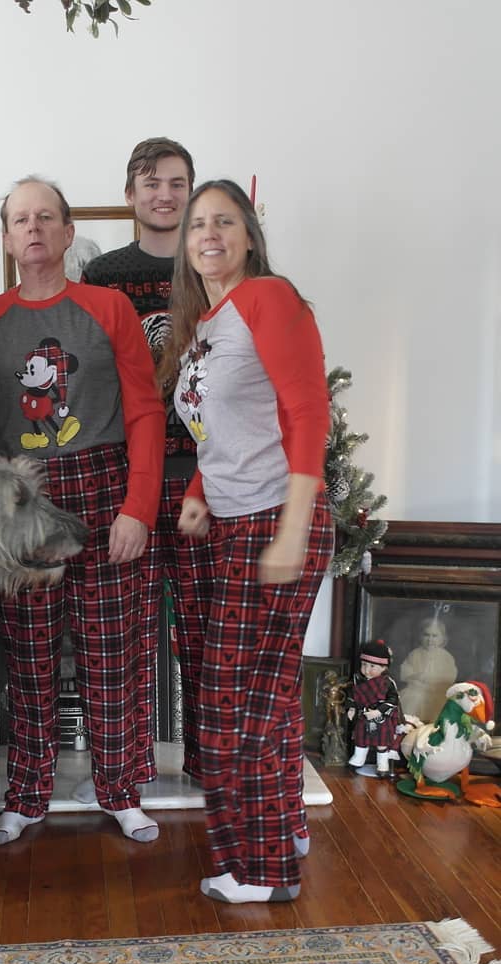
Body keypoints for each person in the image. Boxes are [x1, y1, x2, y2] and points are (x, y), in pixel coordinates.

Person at [0, 176, 166, 846]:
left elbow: (144, 410)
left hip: (105, 490)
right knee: (30, 653)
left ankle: (121, 790)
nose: (35, 228)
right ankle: (26, 795)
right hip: (24, 499)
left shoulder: (108, 308)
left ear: (68, 234)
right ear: (8, 236)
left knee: (113, 653)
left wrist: (138, 507)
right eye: (21, 219)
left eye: (47, 217)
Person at [169, 178, 333, 904]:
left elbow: (306, 411)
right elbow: (221, 427)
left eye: (224, 221)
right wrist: (200, 494)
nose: (209, 234)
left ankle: (262, 870)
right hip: (235, 521)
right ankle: (285, 827)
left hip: (277, 517)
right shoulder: (208, 323)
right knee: (263, 691)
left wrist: (295, 526)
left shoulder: (270, 298)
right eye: (198, 224)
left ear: (248, 234)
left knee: (240, 701)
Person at [78, 136, 212, 793]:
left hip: (200, 478)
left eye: (177, 183)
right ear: (130, 193)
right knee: (124, 640)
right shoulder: (102, 277)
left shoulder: (213, 268)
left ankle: (207, 765)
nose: (164, 194)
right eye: (150, 182)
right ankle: (123, 775)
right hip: (126, 480)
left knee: (203, 631)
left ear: (192, 192)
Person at [346, 639, 405, 777]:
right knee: (361, 739)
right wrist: (352, 708)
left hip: (381, 719)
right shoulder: (357, 679)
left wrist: (379, 711)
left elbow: (393, 700)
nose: (366, 670)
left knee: (382, 743)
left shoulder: (387, 683)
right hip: (363, 716)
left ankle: (382, 765)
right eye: (364, 664)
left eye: (372, 666)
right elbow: (352, 695)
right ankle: (358, 759)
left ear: (384, 668)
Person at [398, 616, 458, 723]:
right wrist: (416, 676)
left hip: (438, 692)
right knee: (414, 700)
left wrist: (434, 680)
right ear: (421, 637)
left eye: (434, 636)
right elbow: (405, 672)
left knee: (439, 709)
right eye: (426, 635)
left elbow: (450, 676)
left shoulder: (446, 656)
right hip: (417, 691)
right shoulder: (415, 654)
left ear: (442, 638)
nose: (430, 640)